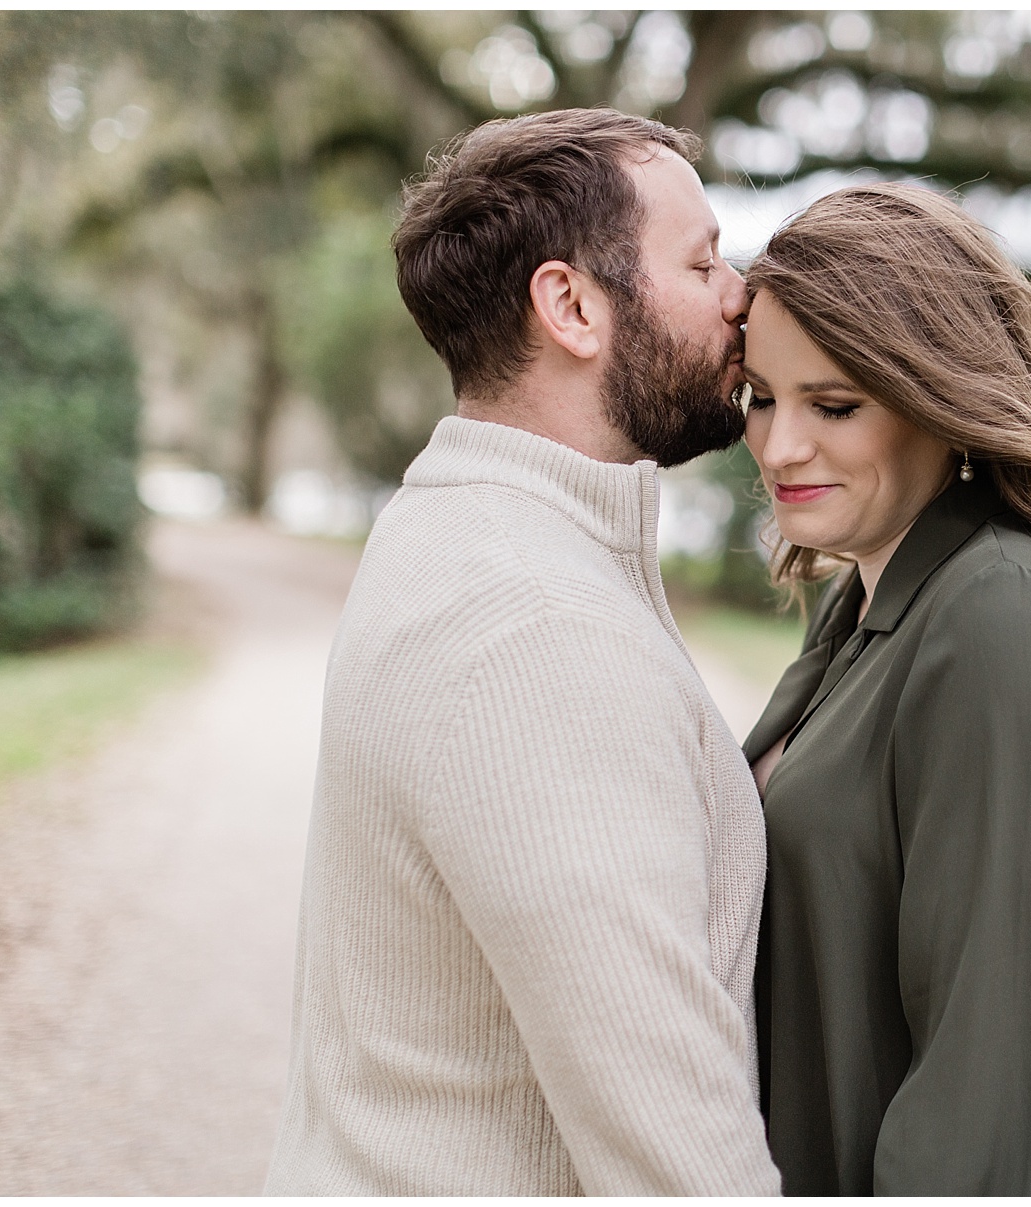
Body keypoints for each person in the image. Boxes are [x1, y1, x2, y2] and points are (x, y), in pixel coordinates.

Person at [263, 109, 780, 1195]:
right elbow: (673, 1145)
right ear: (573, 305)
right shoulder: (536, 626)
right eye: (702, 261)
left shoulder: (460, 521)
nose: (741, 293)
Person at [737, 183, 1031, 1196]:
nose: (778, 446)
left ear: (941, 393)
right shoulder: (864, 603)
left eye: (834, 403)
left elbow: (996, 1098)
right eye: (762, 397)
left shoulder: (1008, 618)